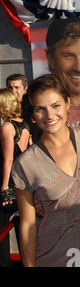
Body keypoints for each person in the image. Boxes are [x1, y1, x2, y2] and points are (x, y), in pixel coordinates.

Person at [12, 74, 80, 267]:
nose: (50, 115)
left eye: (55, 105)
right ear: (33, 115)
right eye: (40, 109)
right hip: (56, 256)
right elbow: (28, 225)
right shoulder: (25, 163)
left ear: (67, 103)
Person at [0, 88, 32, 267]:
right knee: (23, 229)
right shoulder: (25, 125)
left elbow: (8, 159)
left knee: (3, 230)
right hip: (23, 184)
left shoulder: (7, 127)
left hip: (9, 183)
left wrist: (4, 188)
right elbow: (30, 154)